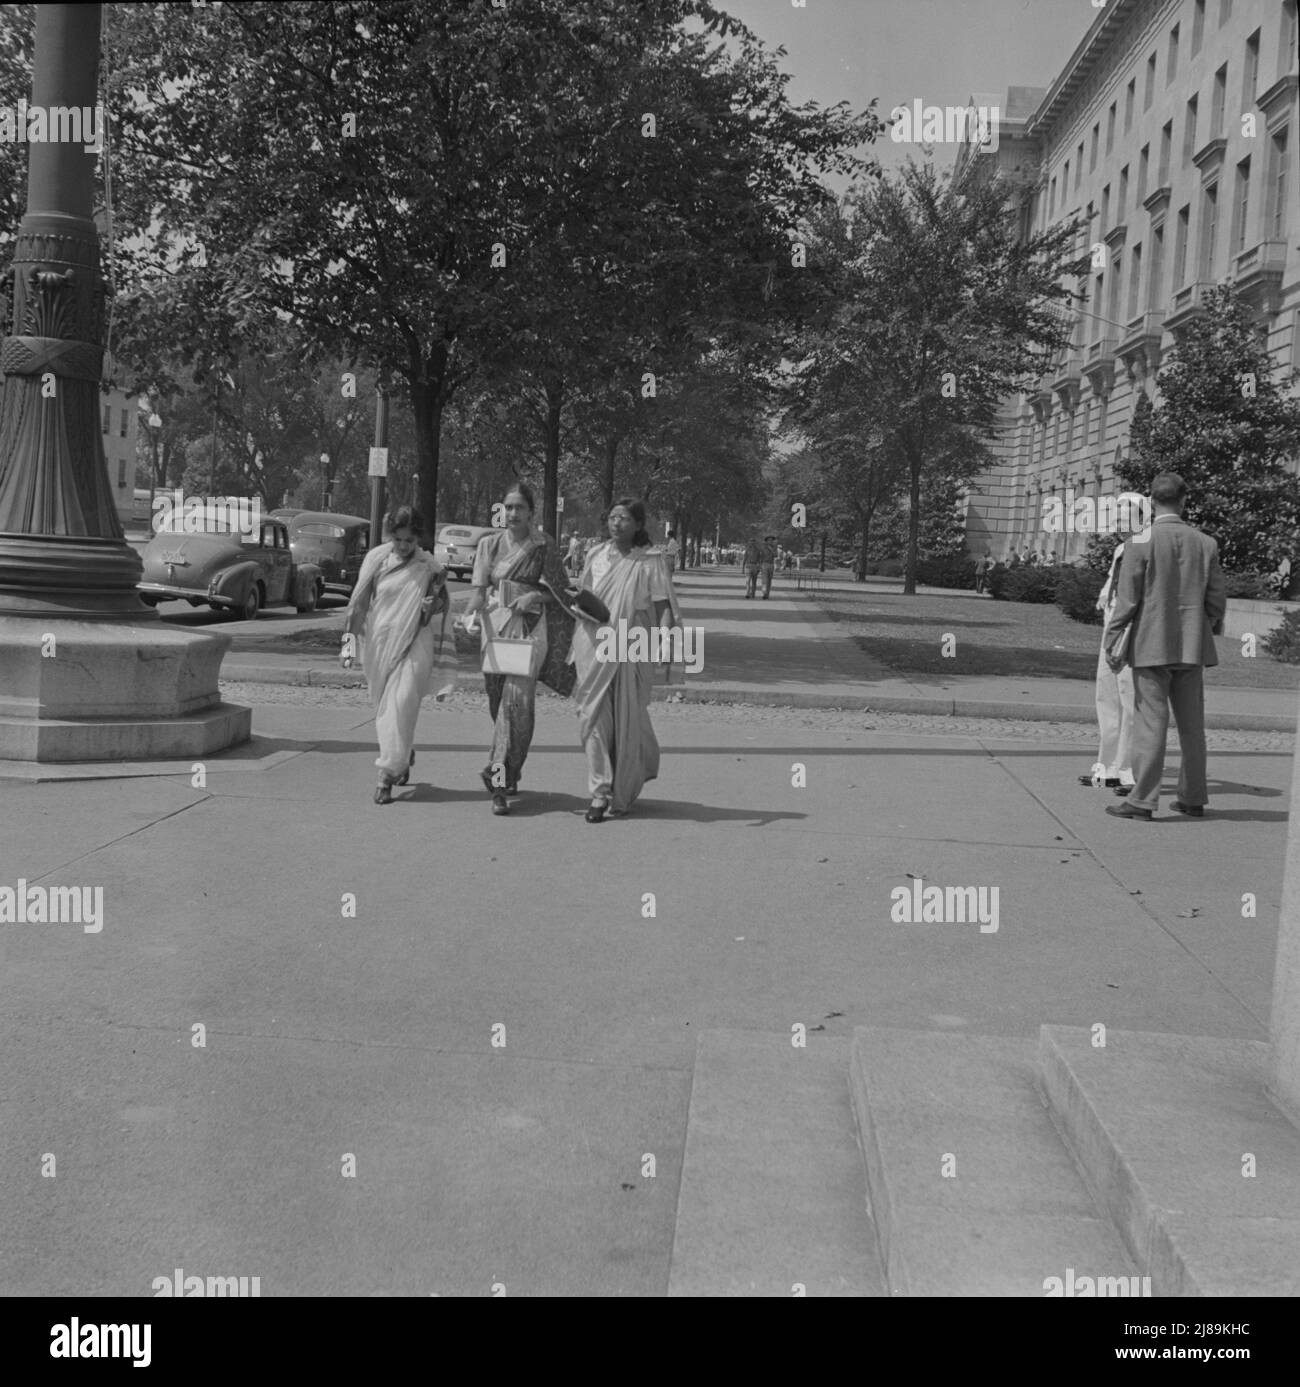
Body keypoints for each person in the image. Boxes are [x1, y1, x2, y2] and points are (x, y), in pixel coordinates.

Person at [1103, 473, 1227, 821]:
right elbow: (1217, 598)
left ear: (1151, 501)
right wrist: (1206, 624)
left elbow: (1127, 601)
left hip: (1150, 642)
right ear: (1184, 499)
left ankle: (1142, 800)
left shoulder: (1139, 542)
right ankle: (1193, 797)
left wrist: (1113, 637)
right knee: (1192, 727)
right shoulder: (1206, 543)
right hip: (1192, 645)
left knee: (1150, 724)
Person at [461, 482, 575, 816]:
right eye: (507, 507)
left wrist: (534, 596)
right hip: (495, 627)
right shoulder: (489, 544)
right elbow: (479, 591)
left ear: (530, 512)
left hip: (529, 628)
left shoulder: (544, 545)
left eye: (519, 508)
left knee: (517, 702)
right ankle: (511, 772)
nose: (512, 513)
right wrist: (468, 613)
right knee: (500, 704)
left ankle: (497, 779)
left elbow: (563, 592)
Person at [570, 498, 679, 822]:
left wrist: (663, 643)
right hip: (592, 641)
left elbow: (663, 608)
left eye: (625, 518)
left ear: (638, 525)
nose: (617, 523)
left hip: (630, 646)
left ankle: (628, 775)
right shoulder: (594, 554)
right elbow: (585, 597)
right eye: (613, 517)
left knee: (626, 717)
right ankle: (600, 792)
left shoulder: (650, 562)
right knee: (591, 716)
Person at [341, 505, 448, 805]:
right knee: (387, 710)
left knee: (400, 704)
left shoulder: (430, 567)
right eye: (398, 540)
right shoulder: (376, 560)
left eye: (409, 542)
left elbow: (441, 609)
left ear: (418, 539)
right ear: (391, 537)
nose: (403, 547)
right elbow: (358, 605)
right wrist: (348, 645)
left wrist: (432, 606)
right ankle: (403, 752)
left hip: (416, 642)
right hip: (379, 644)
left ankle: (385, 775)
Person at [1079, 541, 1135, 794]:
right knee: (1106, 697)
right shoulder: (1122, 548)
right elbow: (1113, 577)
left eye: (1125, 515)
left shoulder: (1148, 545)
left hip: (1130, 633)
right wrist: (1104, 595)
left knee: (1130, 702)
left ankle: (1126, 771)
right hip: (1111, 631)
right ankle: (1106, 768)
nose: (1119, 521)